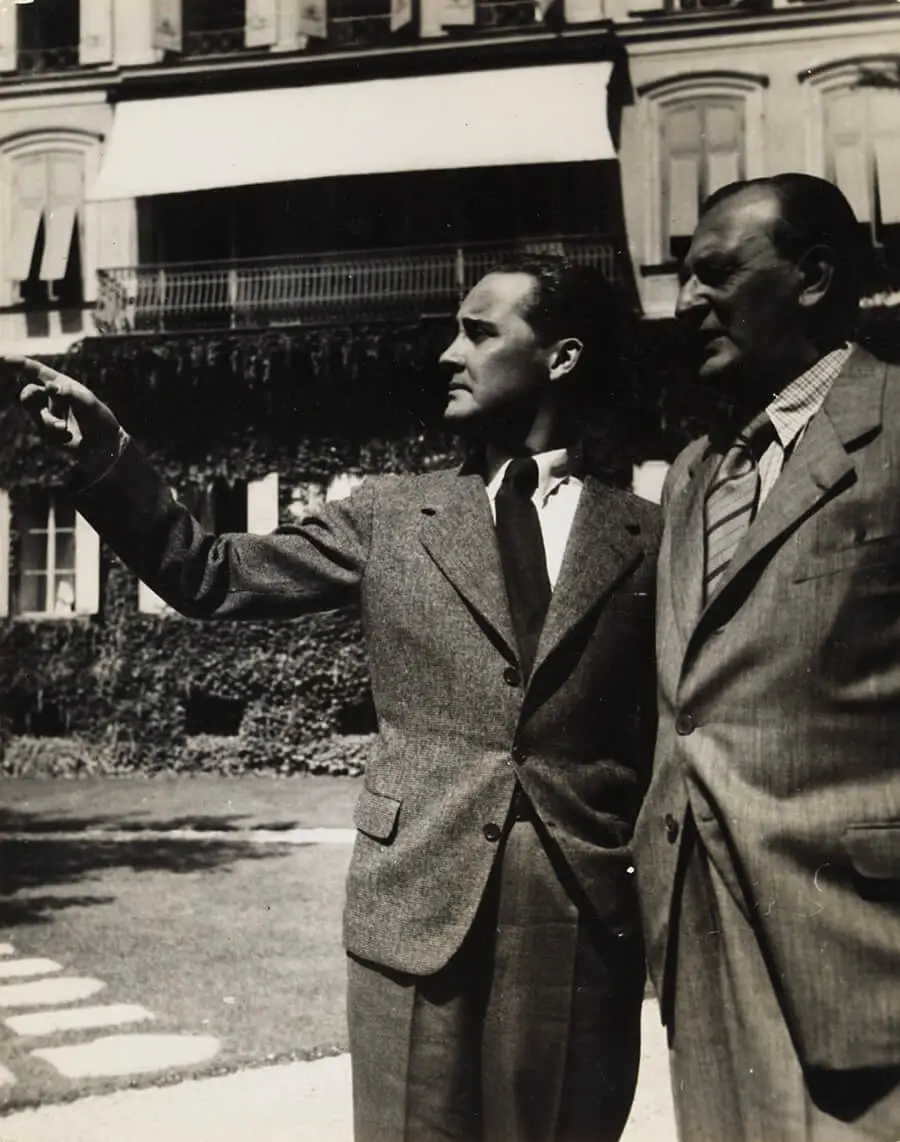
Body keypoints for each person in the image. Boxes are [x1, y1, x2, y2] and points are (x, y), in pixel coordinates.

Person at [12, 255, 660, 1142]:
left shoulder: (646, 534)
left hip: (577, 922)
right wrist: (106, 457)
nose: (447, 354)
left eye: (478, 332)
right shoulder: (391, 515)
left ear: (562, 357)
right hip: (415, 906)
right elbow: (207, 573)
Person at [634, 172, 900, 1141]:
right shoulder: (699, 470)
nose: (686, 301)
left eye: (713, 274)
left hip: (867, 946)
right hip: (704, 931)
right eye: (682, 278)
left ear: (814, 274)